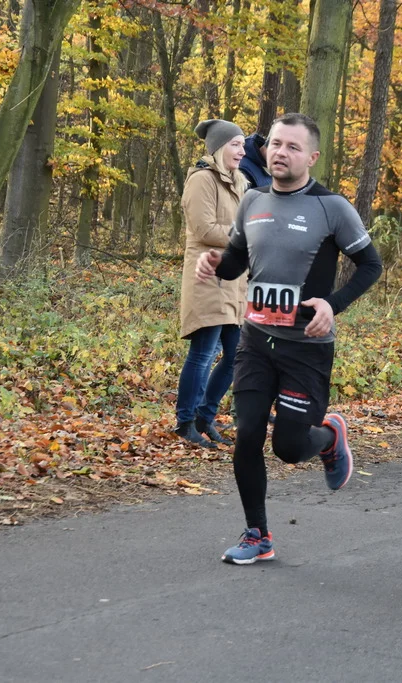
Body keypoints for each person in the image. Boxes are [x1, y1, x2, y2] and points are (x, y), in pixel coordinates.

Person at [196, 113, 383, 565]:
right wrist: (215, 264)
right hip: (257, 340)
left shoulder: (331, 207)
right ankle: (256, 534)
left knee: (290, 448)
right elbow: (238, 261)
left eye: (292, 147)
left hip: (305, 349)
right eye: (276, 144)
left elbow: (371, 266)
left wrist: (329, 305)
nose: (280, 152)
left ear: (312, 157)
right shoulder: (252, 200)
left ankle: (329, 436)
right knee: (247, 435)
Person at [175, 119, 249, 448]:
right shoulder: (201, 180)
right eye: (235, 144)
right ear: (219, 147)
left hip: (234, 279)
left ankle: (205, 416)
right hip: (206, 277)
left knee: (236, 354)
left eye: (243, 144)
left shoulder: (242, 181)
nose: (242, 150)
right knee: (203, 352)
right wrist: (245, 237)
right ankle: (185, 422)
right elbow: (204, 229)